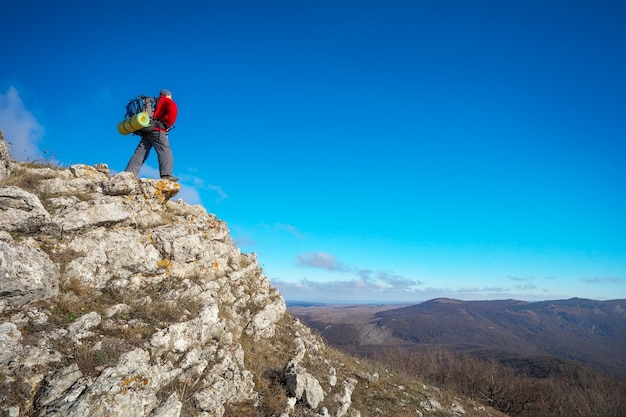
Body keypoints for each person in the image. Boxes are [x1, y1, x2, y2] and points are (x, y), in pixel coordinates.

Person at [125, 89, 179, 181]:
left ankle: (128, 174)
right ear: (167, 95)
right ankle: (166, 174)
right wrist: (168, 125)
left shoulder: (154, 102)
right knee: (165, 150)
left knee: (140, 152)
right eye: (171, 96)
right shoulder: (167, 101)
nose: (171, 98)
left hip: (147, 129)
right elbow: (173, 110)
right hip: (158, 130)